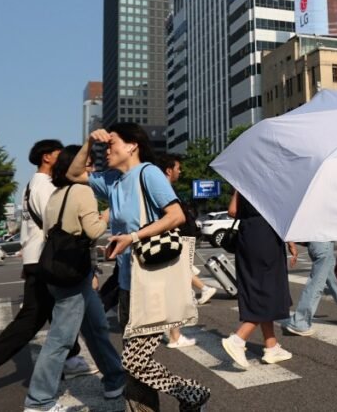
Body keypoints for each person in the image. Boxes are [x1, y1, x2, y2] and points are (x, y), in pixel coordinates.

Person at [68, 123, 211, 411]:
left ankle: (191, 392)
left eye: (112, 144)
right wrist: (89, 142)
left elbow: (176, 216)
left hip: (153, 283)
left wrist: (133, 237)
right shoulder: (112, 181)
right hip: (127, 283)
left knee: (134, 362)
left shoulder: (149, 173)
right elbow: (73, 174)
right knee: (135, 369)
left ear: (132, 145)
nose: (107, 150)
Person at [0, 140, 96, 402]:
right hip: (47, 262)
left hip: (37, 259)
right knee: (32, 319)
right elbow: (56, 225)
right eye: (60, 154)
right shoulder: (47, 186)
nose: (67, 160)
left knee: (57, 313)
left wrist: (28, 264)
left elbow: (31, 228)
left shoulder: (31, 186)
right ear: (47, 157)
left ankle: (71, 360)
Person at [23, 146, 127, 412]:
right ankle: (39, 401)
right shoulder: (82, 191)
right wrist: (107, 214)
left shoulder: (56, 194)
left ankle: (114, 378)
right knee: (61, 339)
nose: (90, 169)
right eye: (87, 164)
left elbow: (51, 232)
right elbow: (93, 231)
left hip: (59, 270)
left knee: (96, 327)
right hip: (73, 274)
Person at [221, 191, 299, 368]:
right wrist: (291, 241)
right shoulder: (272, 181)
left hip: (247, 236)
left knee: (260, 288)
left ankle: (271, 346)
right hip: (267, 235)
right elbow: (281, 213)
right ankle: (239, 339)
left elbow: (232, 210)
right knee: (271, 290)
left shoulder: (245, 180)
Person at [156, 154, 219, 350]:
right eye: (178, 168)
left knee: (173, 288)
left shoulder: (163, 188)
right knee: (175, 290)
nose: (180, 171)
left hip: (175, 242)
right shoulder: (164, 190)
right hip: (175, 242)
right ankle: (174, 336)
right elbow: (172, 218)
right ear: (169, 170)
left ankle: (173, 333)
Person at [283, 240, 337, 336]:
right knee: (317, 281)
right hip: (322, 239)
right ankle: (300, 321)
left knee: (330, 271)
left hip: (318, 240)